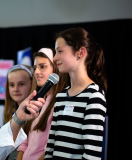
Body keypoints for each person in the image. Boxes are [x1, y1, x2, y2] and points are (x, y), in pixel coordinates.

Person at [44, 28, 107, 159]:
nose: (55, 58)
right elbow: (50, 147)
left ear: (80, 52)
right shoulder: (61, 96)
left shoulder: (94, 96)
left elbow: (91, 155)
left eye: (60, 51)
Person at [16, 48, 68, 160]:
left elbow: (51, 147)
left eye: (42, 67)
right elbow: (25, 141)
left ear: (56, 69)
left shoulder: (60, 103)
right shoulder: (36, 101)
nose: (37, 72)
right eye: (35, 68)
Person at [4, 64, 37, 160]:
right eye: (12, 85)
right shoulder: (10, 115)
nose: (16, 89)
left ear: (32, 84)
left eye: (21, 84)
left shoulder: (35, 114)